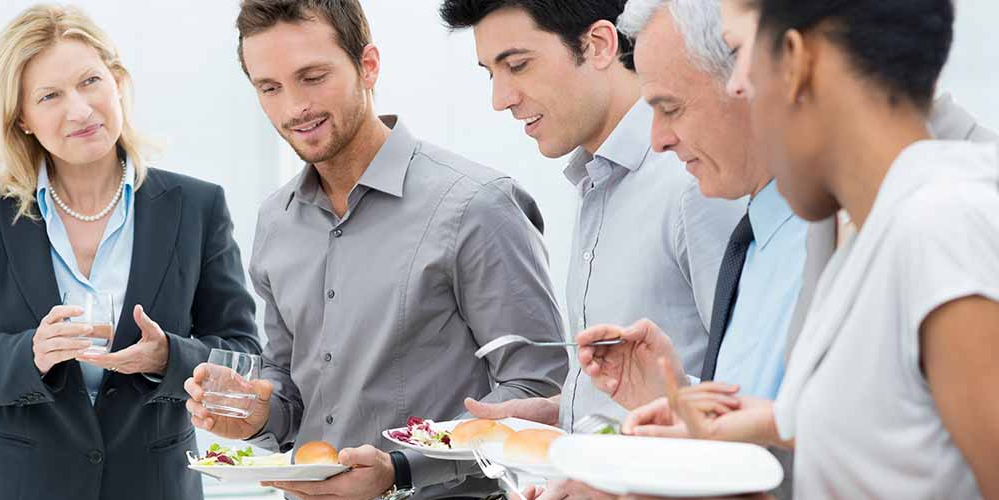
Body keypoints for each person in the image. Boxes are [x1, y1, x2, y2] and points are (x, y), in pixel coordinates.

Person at [628, 0, 999, 497]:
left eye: (739, 50)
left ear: (795, 59)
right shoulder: (867, 233)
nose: (738, 83)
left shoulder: (941, 225)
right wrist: (764, 430)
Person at [184, 1, 569, 499]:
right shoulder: (275, 220)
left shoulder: (477, 206)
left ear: (368, 65)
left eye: (312, 77)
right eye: (270, 88)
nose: (293, 108)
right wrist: (258, 414)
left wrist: (402, 468)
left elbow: (538, 390)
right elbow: (290, 386)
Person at [0, 5, 260, 500]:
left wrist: (170, 358)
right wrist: (28, 354)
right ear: (23, 119)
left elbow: (244, 353)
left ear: (118, 83)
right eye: (50, 96)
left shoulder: (197, 207)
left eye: (90, 81)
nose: (79, 109)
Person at [438, 0, 742, 434]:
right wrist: (564, 411)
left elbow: (750, 396)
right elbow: (636, 387)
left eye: (518, 66)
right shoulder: (596, 179)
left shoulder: (693, 180)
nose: (499, 99)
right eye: (491, 73)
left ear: (598, 45)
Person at [576, 0, 808, 414]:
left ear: (749, 76)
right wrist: (675, 399)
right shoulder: (754, 245)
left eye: (671, 108)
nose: (658, 139)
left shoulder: (828, 242)